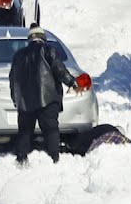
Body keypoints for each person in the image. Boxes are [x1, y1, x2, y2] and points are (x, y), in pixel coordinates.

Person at [8, 26, 79, 164]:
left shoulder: (19, 56)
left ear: (30, 39)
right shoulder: (48, 50)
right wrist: (72, 82)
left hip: (25, 101)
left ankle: (22, 158)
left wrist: (15, 98)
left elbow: (13, 79)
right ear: (43, 38)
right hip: (48, 98)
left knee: (25, 131)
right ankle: (54, 158)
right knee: (51, 129)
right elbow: (59, 70)